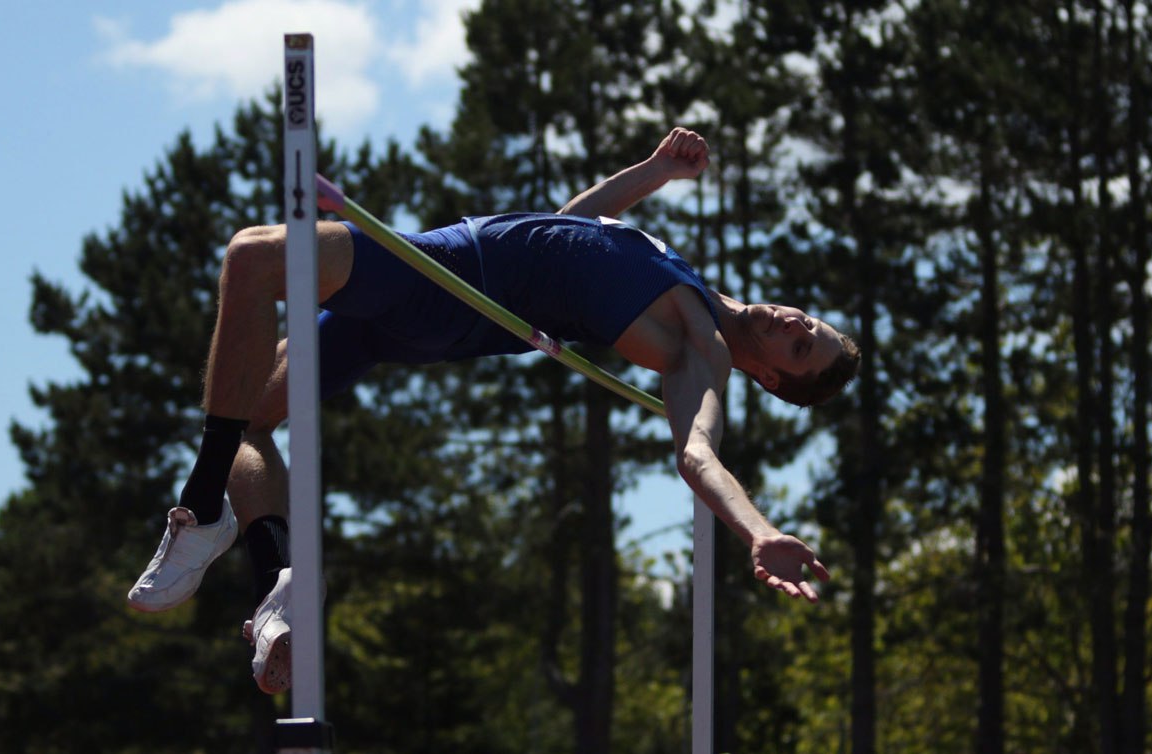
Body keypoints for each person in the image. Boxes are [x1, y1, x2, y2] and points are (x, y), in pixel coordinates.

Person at [126, 128, 861, 694]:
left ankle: (201, 500)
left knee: (253, 258)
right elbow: (568, 226)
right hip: (437, 289)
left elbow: (698, 454)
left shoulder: (699, 349)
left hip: (443, 283)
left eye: (801, 350)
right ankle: (278, 585)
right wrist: (654, 173)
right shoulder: (689, 281)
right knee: (253, 418)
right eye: (808, 323)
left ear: (767, 378)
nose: (795, 325)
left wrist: (758, 532)